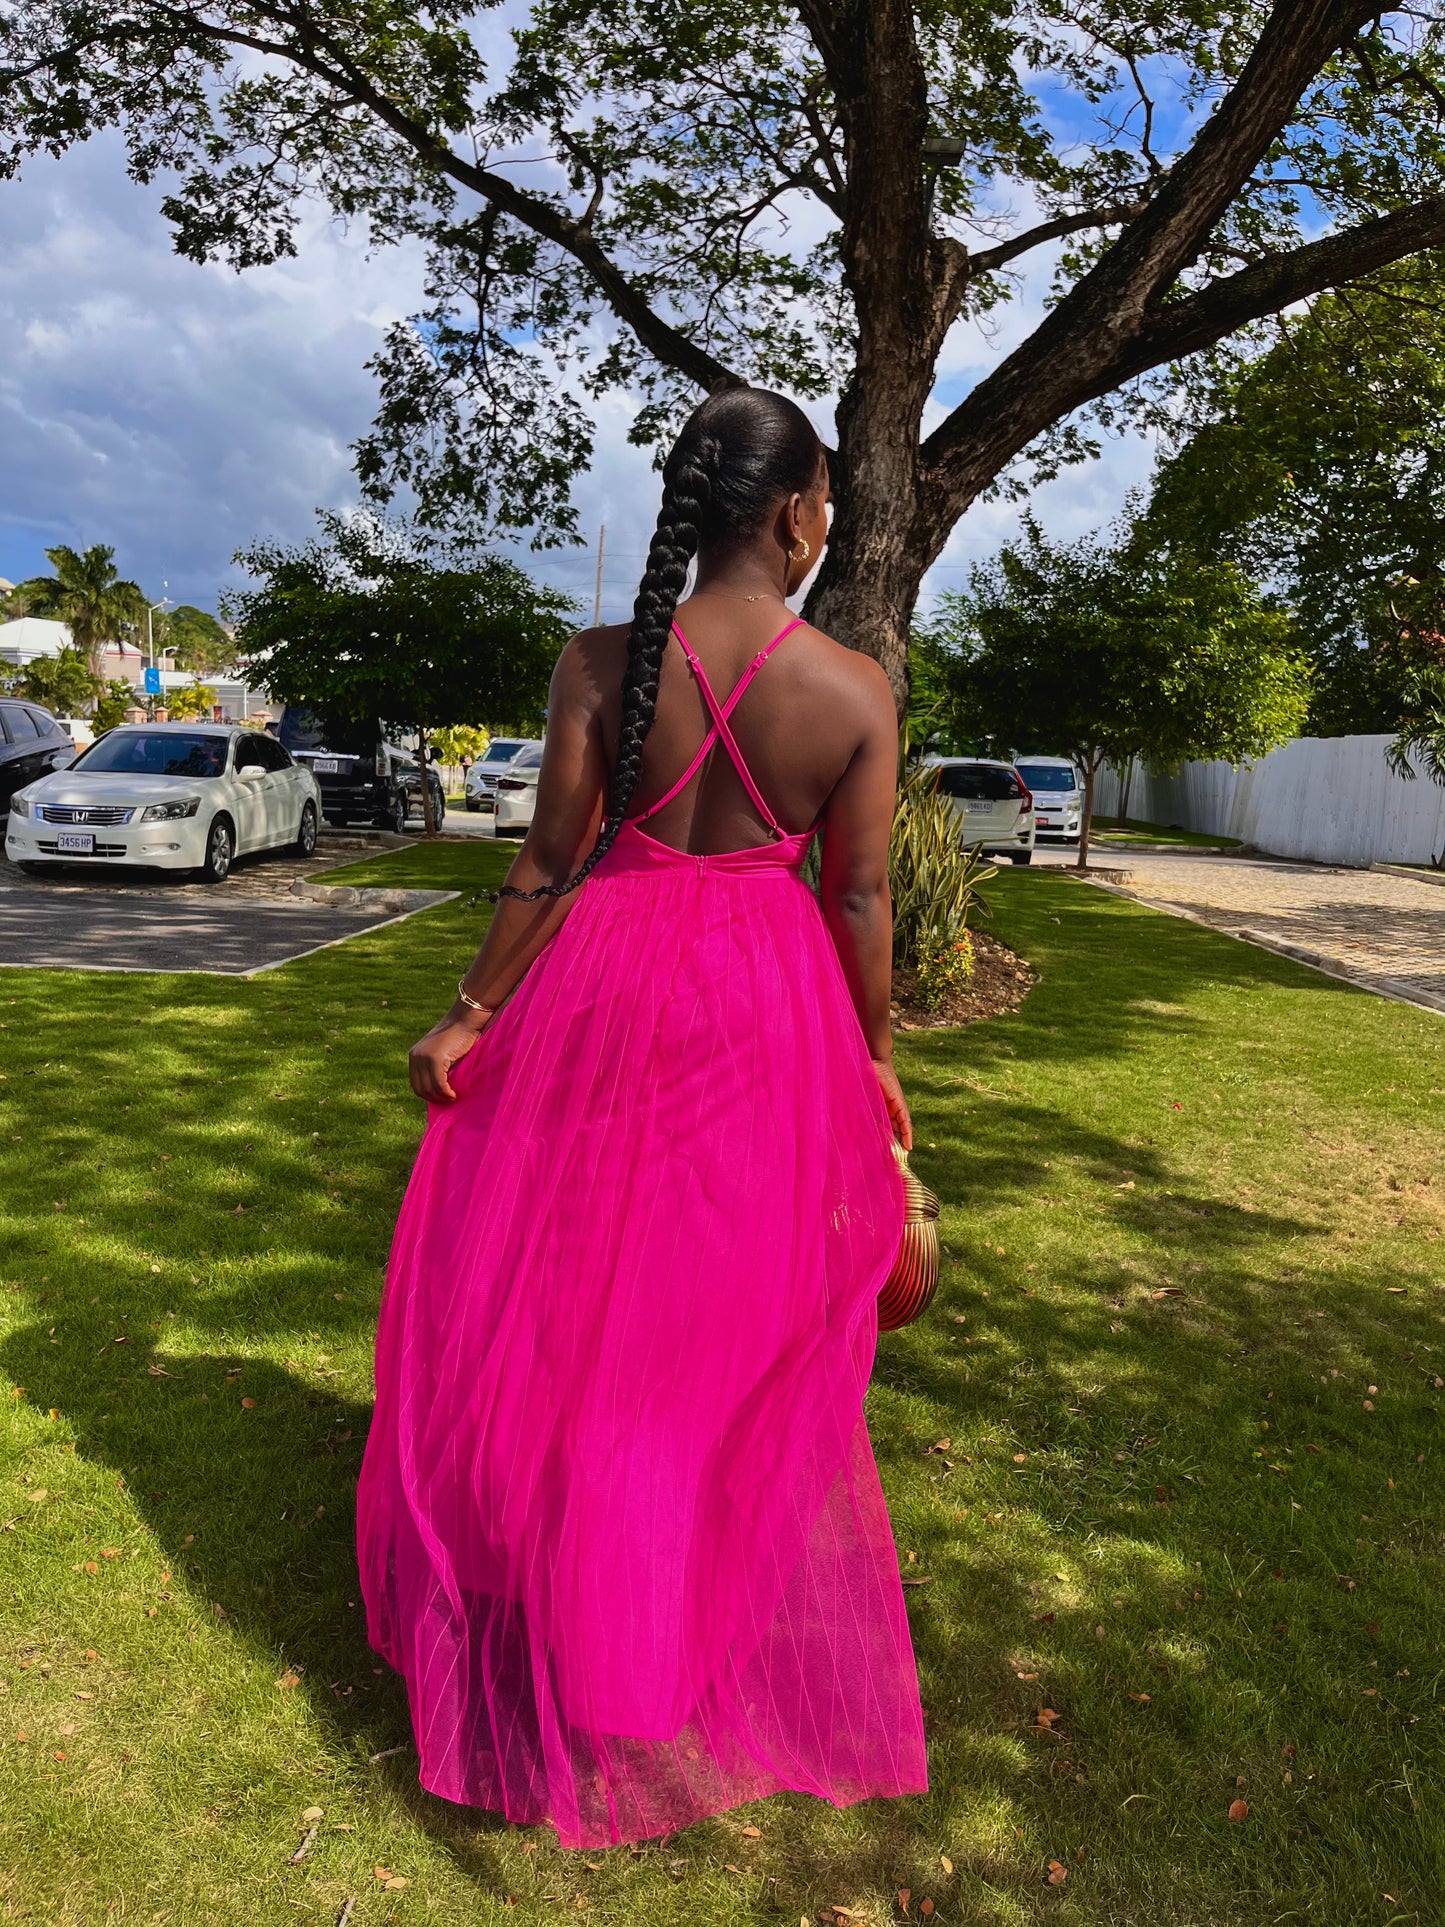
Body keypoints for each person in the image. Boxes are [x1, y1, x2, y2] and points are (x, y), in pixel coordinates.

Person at [357, 387, 927, 1849]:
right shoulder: (852, 690)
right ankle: (639, 1650)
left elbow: (549, 858)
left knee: (565, 1310)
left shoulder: (604, 658)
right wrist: (863, 1064)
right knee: (705, 1325)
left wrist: (473, 1010)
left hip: (601, 994)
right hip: (761, 1010)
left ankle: (557, 1609)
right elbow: (856, 897)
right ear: (800, 514)